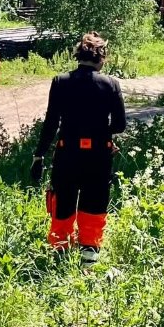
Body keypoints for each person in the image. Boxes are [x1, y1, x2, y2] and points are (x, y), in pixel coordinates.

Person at [30, 32, 126, 263]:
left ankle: (61, 248)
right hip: (98, 155)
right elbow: (120, 125)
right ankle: (89, 253)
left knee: (63, 198)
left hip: (68, 152)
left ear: (78, 56)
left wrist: (39, 155)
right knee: (94, 199)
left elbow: (51, 123)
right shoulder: (111, 84)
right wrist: (101, 131)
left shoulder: (61, 82)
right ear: (101, 57)